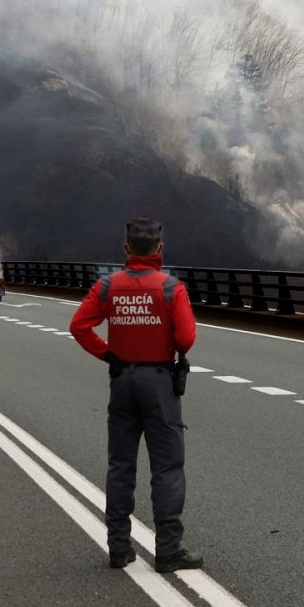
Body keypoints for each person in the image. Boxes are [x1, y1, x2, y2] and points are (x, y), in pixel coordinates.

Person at [69, 218, 201, 572]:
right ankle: (168, 550)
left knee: (120, 465)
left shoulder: (107, 287)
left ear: (127, 249)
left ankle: (118, 547)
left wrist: (108, 352)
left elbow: (78, 326)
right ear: (159, 249)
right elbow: (186, 339)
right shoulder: (171, 289)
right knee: (167, 468)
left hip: (122, 380)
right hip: (159, 382)